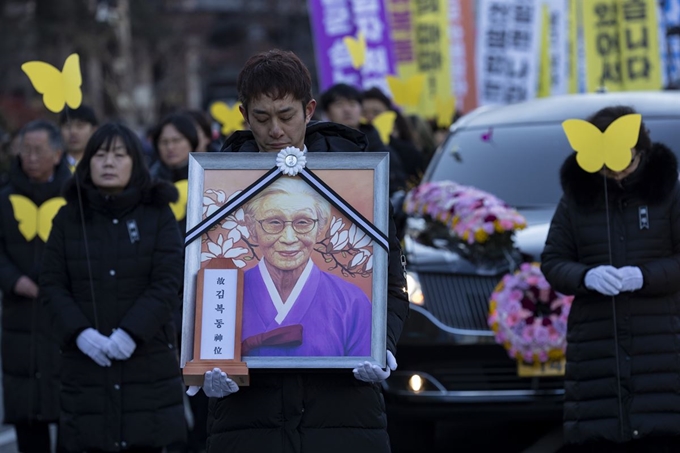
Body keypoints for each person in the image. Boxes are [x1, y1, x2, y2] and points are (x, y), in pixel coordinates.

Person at [195, 49, 409, 453]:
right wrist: (202, 357)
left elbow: (393, 285)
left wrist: (383, 343)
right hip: (248, 414)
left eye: (286, 115)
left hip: (343, 410)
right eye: (261, 118)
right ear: (243, 114)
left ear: (310, 109)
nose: (275, 129)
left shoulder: (357, 182)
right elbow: (193, 286)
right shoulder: (217, 187)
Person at [40, 123, 187, 452]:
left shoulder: (157, 214)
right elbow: (51, 284)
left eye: (119, 155)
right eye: (101, 155)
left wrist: (131, 333)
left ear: (135, 162)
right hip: (85, 365)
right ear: (87, 162)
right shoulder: (68, 218)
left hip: (147, 361)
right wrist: (80, 334)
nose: (109, 162)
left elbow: (168, 280)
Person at [541, 106, 680, 452]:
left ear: (641, 152)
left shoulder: (670, 194)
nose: (615, 174)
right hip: (596, 349)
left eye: (624, 163)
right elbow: (554, 261)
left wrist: (644, 276)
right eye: (604, 167)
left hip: (663, 344)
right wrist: (586, 276)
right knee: (599, 437)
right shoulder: (575, 200)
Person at [240, 177, 372, 356]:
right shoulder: (230, 292)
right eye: (274, 222)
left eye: (303, 222)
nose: (288, 238)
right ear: (251, 226)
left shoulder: (351, 302)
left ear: (322, 227)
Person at [0, 120, 70, 453]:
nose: (30, 157)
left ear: (57, 154)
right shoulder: (5, 196)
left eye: (38, 150)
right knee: (28, 419)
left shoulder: (76, 197)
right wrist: (14, 280)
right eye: (25, 149)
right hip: (20, 316)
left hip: (65, 312)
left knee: (72, 419)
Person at [319, 83, 407, 195]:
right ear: (327, 112)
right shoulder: (319, 147)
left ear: (361, 109)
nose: (347, 110)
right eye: (339, 105)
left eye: (352, 104)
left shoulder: (379, 146)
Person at [361, 87, 425, 187]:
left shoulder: (409, 153)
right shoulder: (351, 149)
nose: (369, 118)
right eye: (364, 113)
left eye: (376, 113)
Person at [150, 113, 198, 228]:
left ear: (191, 141)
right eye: (164, 142)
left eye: (176, 140)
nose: (170, 147)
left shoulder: (207, 178)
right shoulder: (148, 183)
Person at [59, 105, 98, 172]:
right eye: (68, 126)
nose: (73, 132)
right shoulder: (53, 167)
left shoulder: (100, 165)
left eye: (80, 126)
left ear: (94, 130)